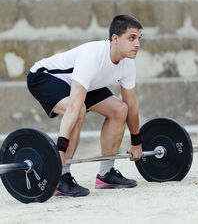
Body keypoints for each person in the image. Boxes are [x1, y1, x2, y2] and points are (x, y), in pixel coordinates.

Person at [27, 14, 143, 197]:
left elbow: (132, 105)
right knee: (79, 110)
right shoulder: (93, 56)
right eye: (132, 38)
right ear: (115, 38)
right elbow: (74, 107)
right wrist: (60, 150)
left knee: (119, 109)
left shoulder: (127, 63)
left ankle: (106, 175)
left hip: (84, 83)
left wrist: (137, 143)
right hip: (44, 77)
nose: (137, 44)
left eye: (139, 38)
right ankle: (61, 178)